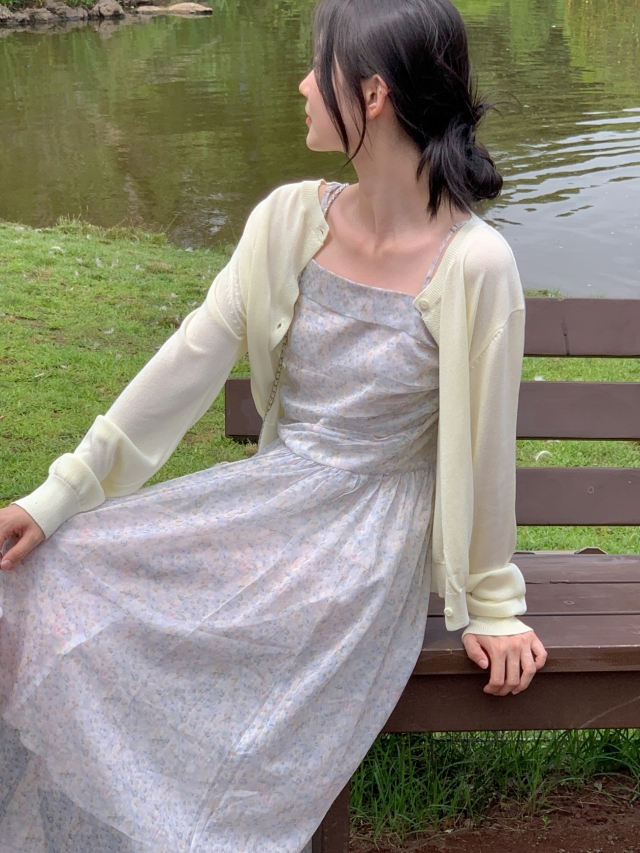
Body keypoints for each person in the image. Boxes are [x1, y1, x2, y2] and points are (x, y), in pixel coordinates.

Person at [0, 0, 547, 850]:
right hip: (270, 499)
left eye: (316, 68)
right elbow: (187, 361)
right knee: (44, 574)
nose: (301, 85)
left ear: (372, 96)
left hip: (367, 544)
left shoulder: (476, 263)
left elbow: (484, 453)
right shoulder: (288, 219)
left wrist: (493, 605)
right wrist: (59, 494)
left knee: (229, 649)